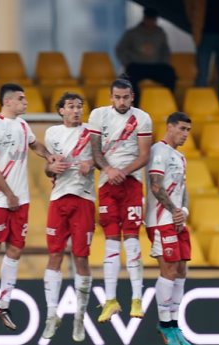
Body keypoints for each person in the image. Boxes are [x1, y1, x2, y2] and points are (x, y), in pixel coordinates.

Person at [0, 84, 56, 331]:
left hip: (20, 201)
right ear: (8, 101)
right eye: (22, 99)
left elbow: (35, 145)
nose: (26, 102)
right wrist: (9, 194)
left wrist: (49, 156)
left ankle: (4, 304)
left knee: (15, 251)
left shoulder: (23, 125)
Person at [89, 78, 152, 323]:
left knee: (133, 240)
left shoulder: (142, 118)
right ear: (111, 97)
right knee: (112, 242)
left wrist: (122, 171)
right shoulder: (98, 115)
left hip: (132, 183)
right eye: (117, 97)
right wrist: (108, 170)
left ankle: (137, 298)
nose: (122, 101)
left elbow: (144, 155)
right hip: (107, 184)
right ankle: (110, 300)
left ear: (132, 96)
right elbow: (95, 151)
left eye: (126, 97)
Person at [39, 92, 95, 342]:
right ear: (61, 110)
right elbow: (47, 167)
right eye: (71, 106)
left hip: (83, 198)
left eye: (79, 106)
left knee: (81, 258)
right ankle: (52, 315)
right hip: (58, 199)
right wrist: (51, 167)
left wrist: (91, 162)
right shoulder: (52, 134)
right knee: (54, 255)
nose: (76, 110)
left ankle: (80, 319)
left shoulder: (92, 132)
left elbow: (104, 159)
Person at [146, 112, 193, 345]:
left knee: (182, 269)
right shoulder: (158, 150)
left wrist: (183, 210)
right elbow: (156, 185)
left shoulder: (181, 157)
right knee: (169, 268)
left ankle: (175, 323)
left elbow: (184, 191)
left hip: (177, 219)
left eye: (188, 130)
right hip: (160, 220)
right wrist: (174, 210)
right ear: (170, 127)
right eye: (182, 129)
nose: (185, 134)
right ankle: (164, 323)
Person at [115, 7, 176, 105]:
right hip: (137, 65)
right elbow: (120, 49)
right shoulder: (132, 33)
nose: (151, 22)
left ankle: (167, 103)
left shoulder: (160, 33)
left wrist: (164, 62)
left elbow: (165, 49)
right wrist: (127, 62)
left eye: (153, 20)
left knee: (170, 73)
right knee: (128, 78)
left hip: (156, 65)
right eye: (149, 19)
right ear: (144, 19)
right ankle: (136, 105)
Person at [185, 0, 219, 87]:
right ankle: (201, 98)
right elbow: (190, 9)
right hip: (204, 35)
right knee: (202, 72)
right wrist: (196, 25)